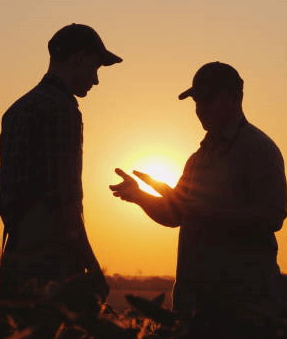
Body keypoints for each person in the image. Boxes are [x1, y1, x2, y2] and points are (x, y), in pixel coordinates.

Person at [109, 62, 287, 318]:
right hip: (194, 304)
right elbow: (175, 215)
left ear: (236, 98)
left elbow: (273, 216)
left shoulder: (259, 149)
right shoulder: (197, 158)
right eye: (197, 101)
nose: (201, 109)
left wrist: (209, 213)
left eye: (209, 99)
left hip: (245, 307)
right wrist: (138, 196)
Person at [0, 23, 122, 300]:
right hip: (52, 263)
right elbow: (64, 199)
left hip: (14, 254)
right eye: (95, 68)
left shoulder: (15, 111)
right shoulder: (61, 109)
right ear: (78, 59)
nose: (96, 80)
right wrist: (90, 268)